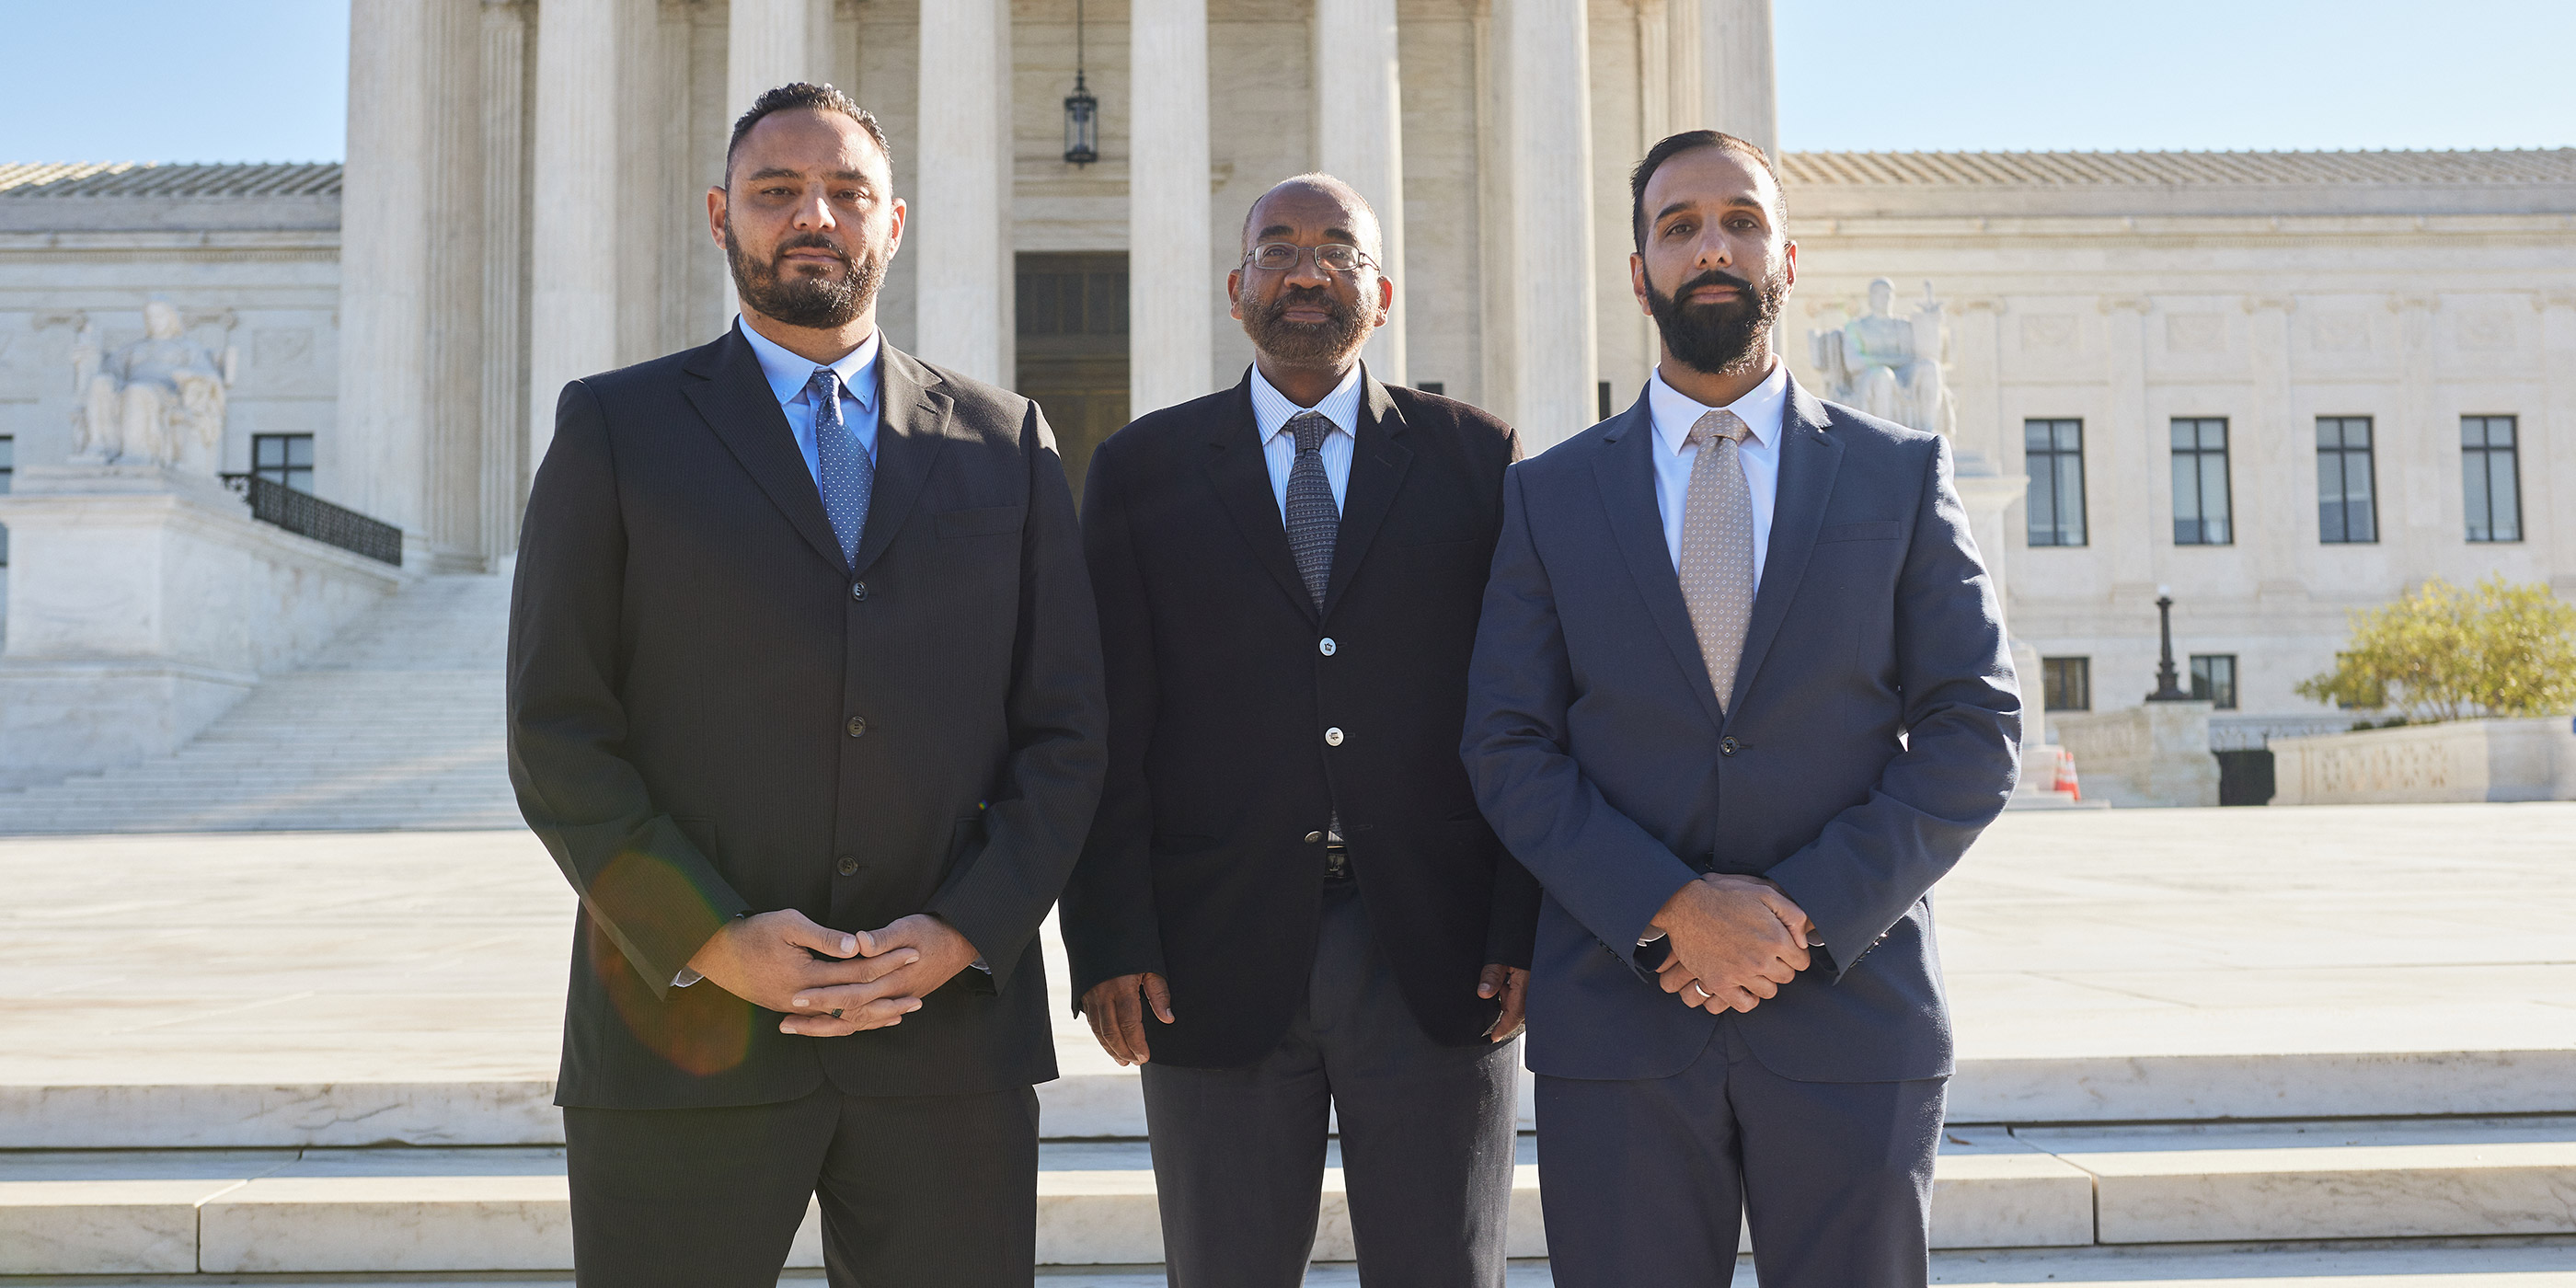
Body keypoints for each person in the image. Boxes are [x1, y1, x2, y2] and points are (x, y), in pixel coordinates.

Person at [506, 83, 1104, 1287]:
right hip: (681, 1036)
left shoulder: (1008, 442)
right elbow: (557, 732)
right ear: (724, 216)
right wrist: (712, 938)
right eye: (779, 192)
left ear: (894, 225)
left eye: (847, 192)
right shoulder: (616, 430)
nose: (813, 215)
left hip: (946, 1045)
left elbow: (1067, 730)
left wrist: (961, 933)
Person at [1461, 130, 2022, 1287]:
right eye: (1678, 226)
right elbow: (1507, 742)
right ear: (1638, 272)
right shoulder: (1549, 494)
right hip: (1621, 1027)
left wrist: (1801, 913)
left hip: (1851, 1016)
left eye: (1740, 220)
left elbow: (1974, 730)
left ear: (1787, 256)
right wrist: (1667, 904)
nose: (1711, 246)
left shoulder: (1899, 473)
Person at [1060, 173, 1539, 1288]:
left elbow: (1520, 703)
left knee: (1444, 1269)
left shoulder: (1478, 460)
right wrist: (1108, 938)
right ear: (1236, 290)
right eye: (1278, 249)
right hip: (1205, 953)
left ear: (1380, 291)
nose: (1307, 270)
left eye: (1337, 249)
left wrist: (1524, 924)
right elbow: (1107, 720)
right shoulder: (1142, 470)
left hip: (1436, 948)